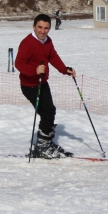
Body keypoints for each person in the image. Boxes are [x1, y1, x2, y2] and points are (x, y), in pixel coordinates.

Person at [15, 14, 76, 159]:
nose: (42, 31)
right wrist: (34, 70)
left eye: (46, 28)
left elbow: (53, 56)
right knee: (47, 112)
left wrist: (64, 69)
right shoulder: (28, 43)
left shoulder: (47, 41)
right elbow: (19, 63)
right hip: (29, 85)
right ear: (34, 27)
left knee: (49, 112)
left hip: (42, 82)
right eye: (40, 27)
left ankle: (45, 143)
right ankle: (43, 147)